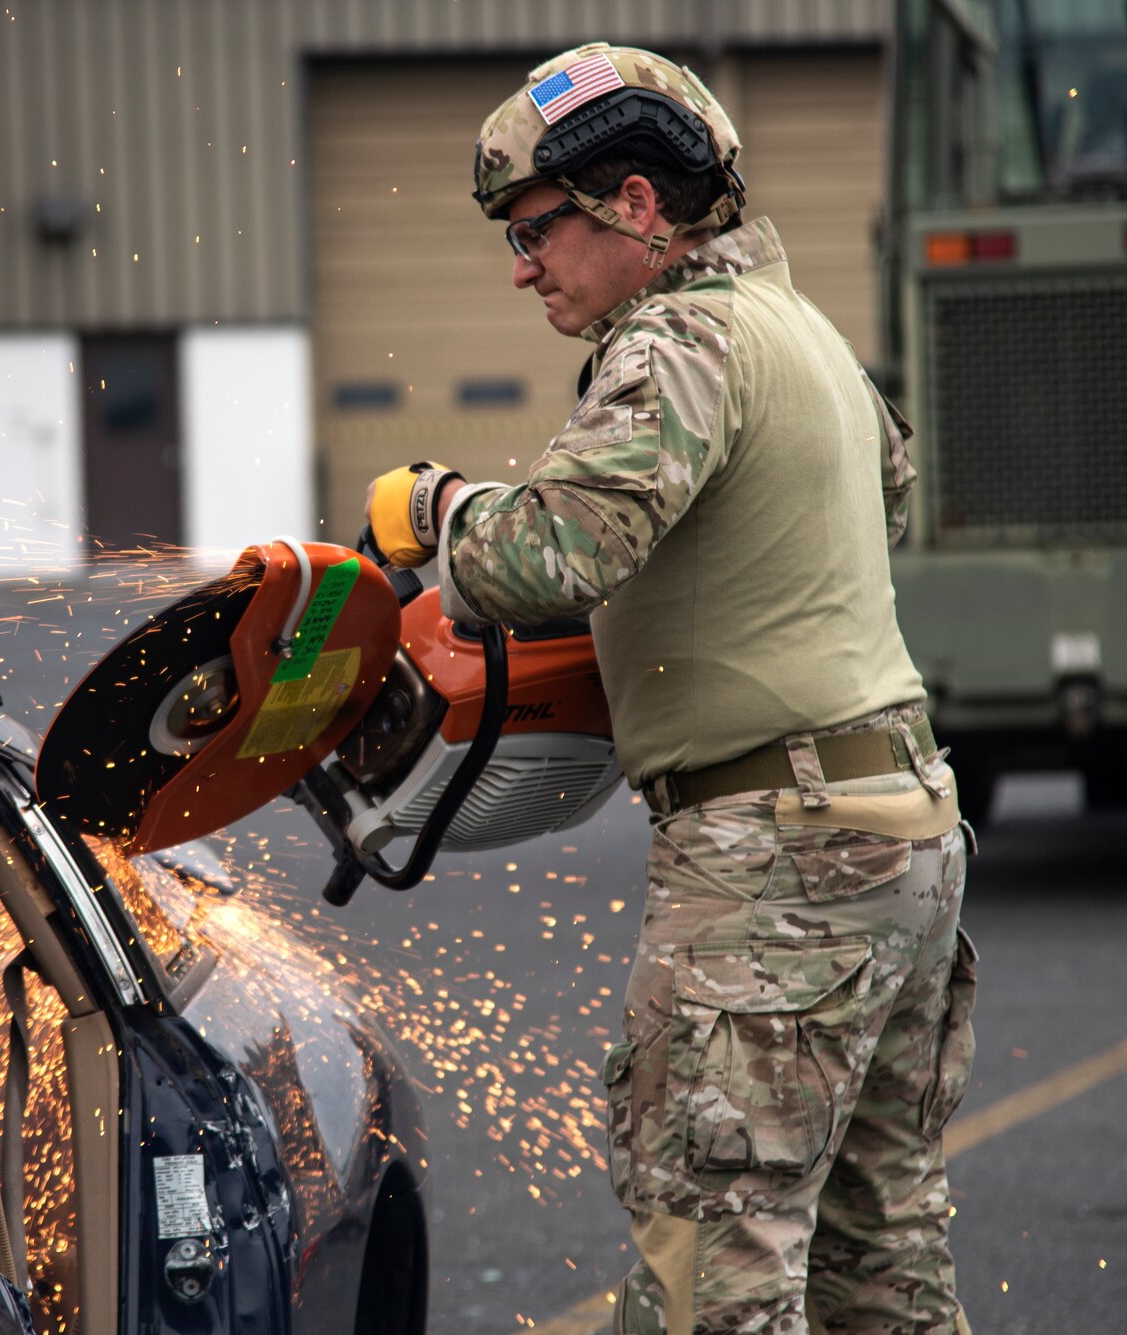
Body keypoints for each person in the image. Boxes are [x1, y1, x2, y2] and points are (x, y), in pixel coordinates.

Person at [364, 45, 976, 1334]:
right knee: (883, 1256)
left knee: (714, 1256)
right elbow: (887, 502)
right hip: (905, 827)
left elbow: (554, 552)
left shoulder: (680, 332)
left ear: (636, 206)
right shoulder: (798, 330)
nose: (521, 264)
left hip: (775, 862)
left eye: (535, 229)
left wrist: (438, 510)